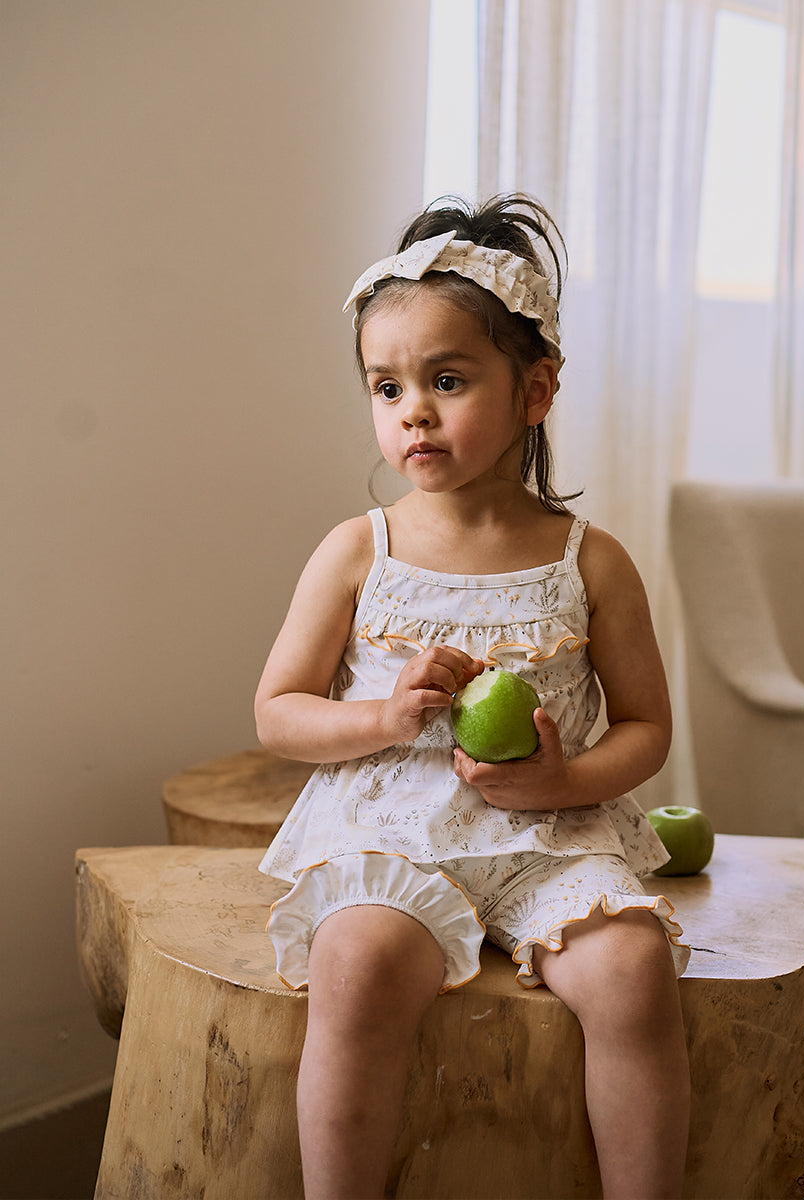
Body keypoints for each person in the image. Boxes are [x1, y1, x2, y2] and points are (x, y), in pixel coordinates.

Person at [255, 194, 691, 1200]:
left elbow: (647, 727)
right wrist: (384, 717)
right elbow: (278, 712)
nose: (412, 410)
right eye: (387, 386)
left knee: (633, 973)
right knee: (358, 967)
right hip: (394, 838)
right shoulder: (358, 552)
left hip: (550, 839)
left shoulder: (591, 561)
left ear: (535, 390)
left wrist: (563, 782)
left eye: (446, 380)